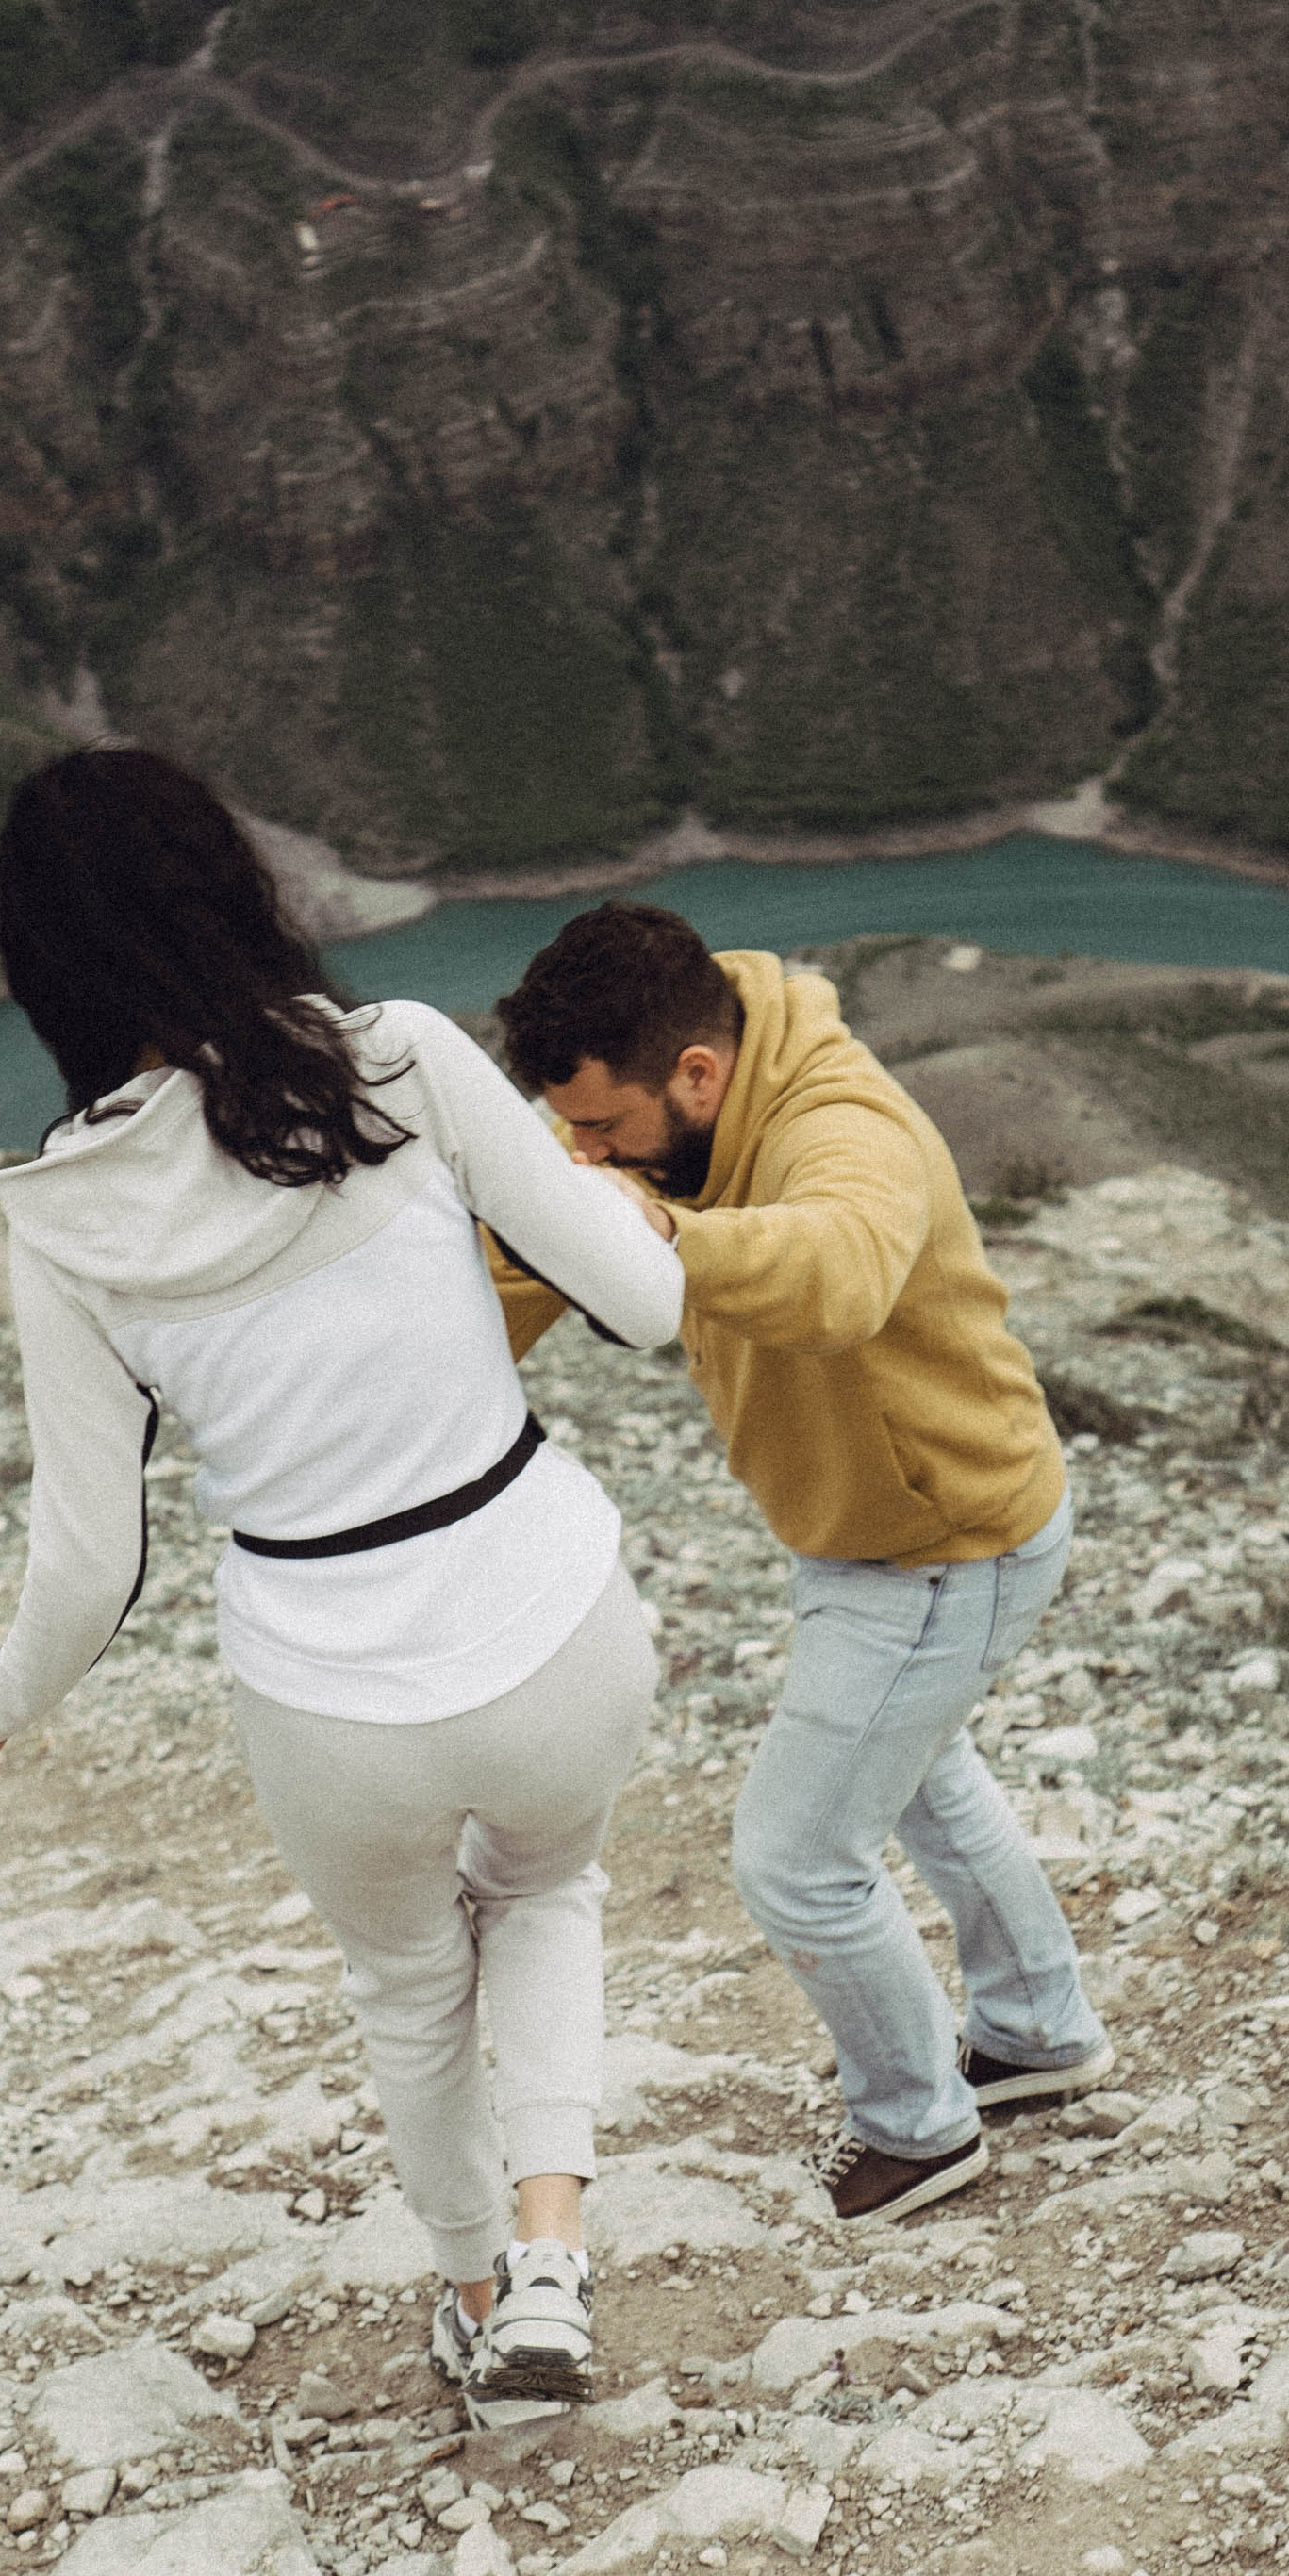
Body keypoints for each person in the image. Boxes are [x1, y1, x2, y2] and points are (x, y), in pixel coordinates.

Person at [0, 754, 684, 2408]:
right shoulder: (402, 1064)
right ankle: (559, 2259)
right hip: (551, 1613)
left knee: (412, 1988)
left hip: (326, 1692)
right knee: (551, 1889)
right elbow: (642, 1302)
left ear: (45, 965)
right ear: (237, 889)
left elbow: (94, 1561)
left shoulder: (58, 1217)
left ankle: (478, 2286)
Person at [491, 898, 1112, 2225]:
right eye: (572, 1129)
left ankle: (918, 2127)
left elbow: (837, 1273)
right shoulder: (645, 1129)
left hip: (947, 1542)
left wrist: (652, 1236)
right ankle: (1038, 2034)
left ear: (697, 1076)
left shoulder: (842, 1125)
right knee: (922, 1779)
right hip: (883, 1535)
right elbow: (528, 1263)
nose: (584, 1152)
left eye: (602, 1128)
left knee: (795, 1856)